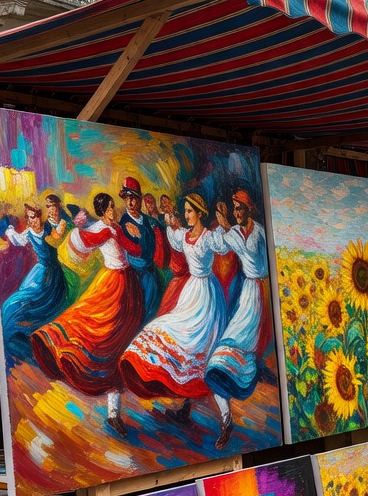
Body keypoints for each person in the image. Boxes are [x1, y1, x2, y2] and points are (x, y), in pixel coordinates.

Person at [31, 191, 144, 438]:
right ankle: (112, 409)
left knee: (120, 341)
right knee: (105, 337)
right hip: (114, 286)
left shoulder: (110, 227)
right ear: (104, 210)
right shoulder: (107, 229)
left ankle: (114, 410)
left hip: (126, 286)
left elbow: (130, 248)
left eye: (114, 207)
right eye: (112, 207)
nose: (115, 210)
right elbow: (120, 246)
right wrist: (127, 236)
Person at [119, 194, 229, 424]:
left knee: (201, 350)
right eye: (185, 211)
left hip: (207, 296)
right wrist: (168, 221)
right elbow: (174, 238)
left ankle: (226, 419)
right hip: (191, 293)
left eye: (189, 211)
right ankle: (185, 405)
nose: (186, 215)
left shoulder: (209, 237)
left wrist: (225, 223)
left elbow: (223, 245)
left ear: (199, 213)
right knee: (182, 342)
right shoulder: (184, 236)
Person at [204, 189, 274, 450]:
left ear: (249, 208)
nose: (237, 212)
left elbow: (264, 260)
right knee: (219, 361)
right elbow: (217, 245)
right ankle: (226, 420)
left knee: (249, 350)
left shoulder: (260, 232)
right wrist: (221, 228)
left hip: (262, 291)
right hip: (248, 294)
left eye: (240, 208)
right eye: (234, 208)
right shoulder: (232, 232)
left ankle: (252, 371)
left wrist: (229, 232)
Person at [0, 196, 72, 361]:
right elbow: (18, 240)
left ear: (40, 216)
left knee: (46, 305)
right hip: (38, 272)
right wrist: (9, 229)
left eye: (34, 217)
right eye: (29, 218)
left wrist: (64, 218)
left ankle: (44, 339)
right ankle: (18, 333)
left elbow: (59, 235)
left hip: (52, 274)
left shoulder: (48, 229)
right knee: (18, 301)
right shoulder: (29, 232)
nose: (31, 221)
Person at [117, 178, 169, 314]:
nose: (129, 202)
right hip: (135, 276)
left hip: (152, 274)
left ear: (139, 199)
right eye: (126, 198)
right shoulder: (123, 223)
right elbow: (137, 250)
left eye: (133, 198)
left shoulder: (150, 221)